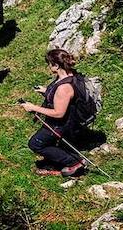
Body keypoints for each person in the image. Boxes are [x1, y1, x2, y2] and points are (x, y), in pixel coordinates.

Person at [21, 48, 89, 177]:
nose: (48, 66)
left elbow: (59, 113)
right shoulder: (71, 76)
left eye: (49, 64)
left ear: (56, 65)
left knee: (35, 144)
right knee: (47, 142)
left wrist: (33, 107)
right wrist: (46, 91)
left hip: (61, 124)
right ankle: (55, 159)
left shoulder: (64, 88)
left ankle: (73, 162)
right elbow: (63, 98)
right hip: (68, 119)